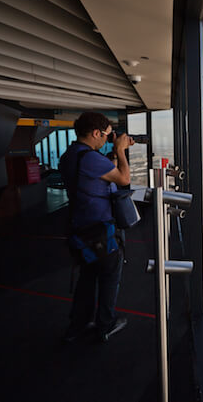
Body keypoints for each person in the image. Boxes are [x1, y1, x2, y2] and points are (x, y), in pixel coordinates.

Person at [59, 112, 134, 342]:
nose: (107, 140)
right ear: (95, 133)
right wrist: (120, 151)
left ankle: (78, 324)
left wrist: (111, 155)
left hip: (79, 229)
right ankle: (106, 324)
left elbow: (94, 179)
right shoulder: (91, 159)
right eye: (106, 135)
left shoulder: (69, 155)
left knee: (88, 277)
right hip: (99, 231)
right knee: (110, 276)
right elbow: (123, 179)